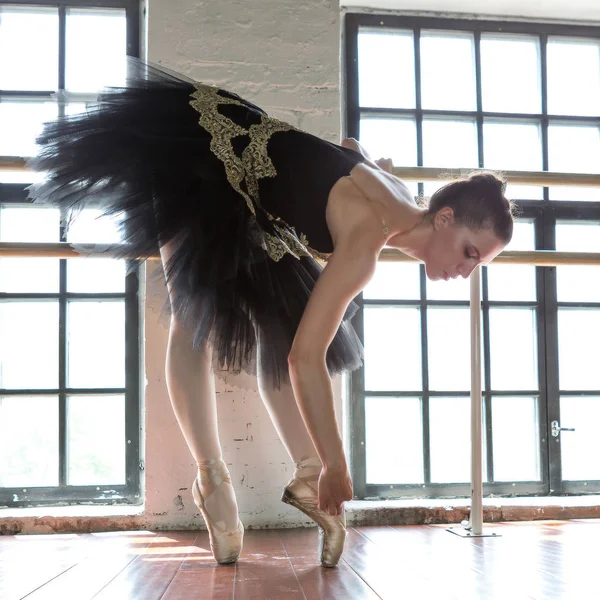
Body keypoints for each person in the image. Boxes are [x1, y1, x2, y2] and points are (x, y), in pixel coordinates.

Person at [28, 58, 516, 568]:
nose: (466, 270)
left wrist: (357, 168)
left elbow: (350, 147)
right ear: (444, 219)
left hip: (250, 181)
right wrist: (337, 463)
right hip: (202, 153)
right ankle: (213, 482)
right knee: (195, 315)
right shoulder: (365, 244)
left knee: (286, 310)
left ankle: (303, 476)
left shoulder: (395, 197)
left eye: (476, 262)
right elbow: (305, 360)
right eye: (469, 252)